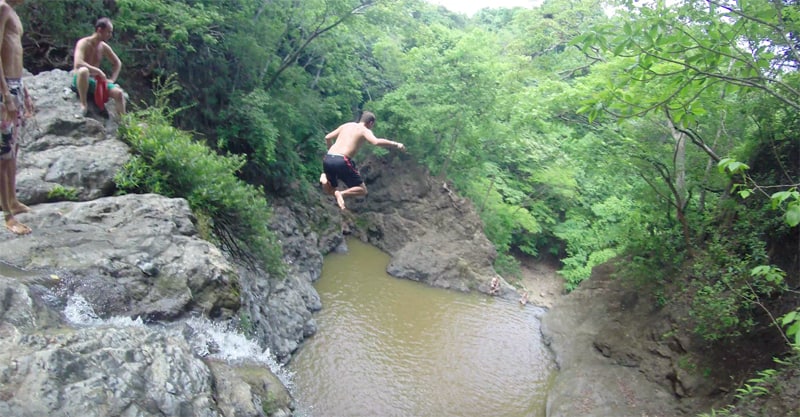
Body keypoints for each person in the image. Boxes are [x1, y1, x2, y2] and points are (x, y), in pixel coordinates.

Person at [320, 111, 405, 210]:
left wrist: (331, 152)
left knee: (330, 190)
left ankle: (324, 178)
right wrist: (396, 144)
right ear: (371, 123)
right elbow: (376, 142)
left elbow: (327, 137)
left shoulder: (346, 125)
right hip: (342, 160)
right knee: (362, 190)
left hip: (328, 158)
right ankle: (341, 194)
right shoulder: (364, 130)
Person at [0, 0, 33, 235]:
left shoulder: (13, 12)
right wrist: (6, 95)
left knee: (13, 150)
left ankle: (12, 200)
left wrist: (24, 91)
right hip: (5, 89)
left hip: (16, 84)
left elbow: (14, 52)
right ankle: (6, 215)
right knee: (3, 153)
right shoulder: (1, 8)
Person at [72, 17, 125, 116]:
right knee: (84, 71)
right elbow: (78, 63)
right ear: (100, 30)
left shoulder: (103, 47)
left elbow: (117, 63)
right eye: (108, 32)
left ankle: (123, 123)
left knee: (119, 94)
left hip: (95, 81)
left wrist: (112, 79)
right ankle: (83, 105)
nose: (110, 35)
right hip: (81, 78)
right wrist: (98, 71)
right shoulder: (83, 43)